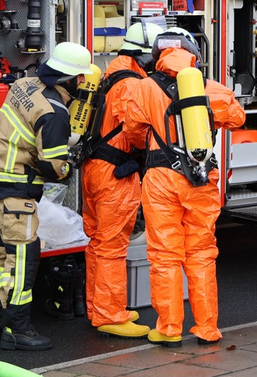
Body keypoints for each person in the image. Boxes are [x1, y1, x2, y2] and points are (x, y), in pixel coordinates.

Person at [122, 28, 245, 348]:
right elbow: (238, 118)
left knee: (165, 256)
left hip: (161, 178)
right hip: (202, 177)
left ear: (157, 55)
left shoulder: (144, 87)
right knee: (202, 253)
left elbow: (134, 132)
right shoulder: (209, 87)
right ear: (193, 54)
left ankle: (169, 328)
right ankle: (207, 328)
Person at [0, 41, 94, 351]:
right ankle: (18, 331)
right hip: (14, 192)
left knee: (0, 258)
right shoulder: (54, 112)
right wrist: (72, 163)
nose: (82, 83)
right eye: (80, 78)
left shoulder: (26, 83)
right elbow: (52, 166)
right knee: (23, 261)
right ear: (69, 78)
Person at [81, 20, 164, 338]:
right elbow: (136, 132)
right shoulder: (132, 86)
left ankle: (99, 306)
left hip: (95, 169)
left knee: (98, 242)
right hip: (115, 174)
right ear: (144, 56)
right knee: (113, 246)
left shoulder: (110, 73)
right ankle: (110, 315)